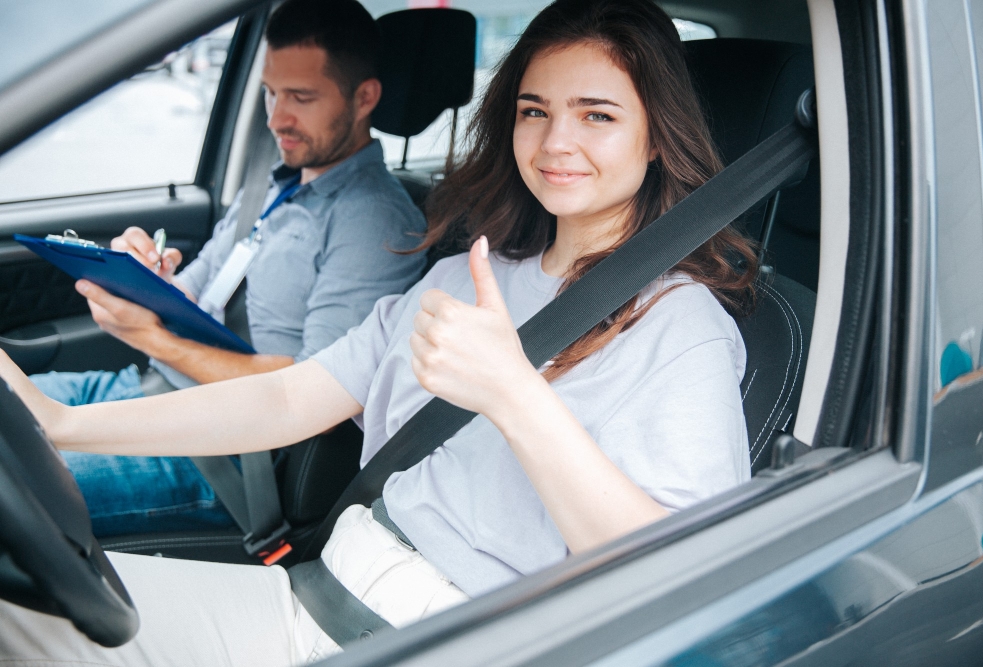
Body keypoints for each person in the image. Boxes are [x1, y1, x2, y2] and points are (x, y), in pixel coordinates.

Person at [0, 0, 757, 663]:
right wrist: (63, 424)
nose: (556, 141)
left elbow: (678, 573)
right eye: (535, 110)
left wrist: (514, 394)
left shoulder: (680, 323)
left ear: (657, 136)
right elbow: (290, 399)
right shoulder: (464, 272)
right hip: (315, 599)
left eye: (597, 114)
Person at [27, 0, 428, 536]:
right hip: (146, 392)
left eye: (301, 98)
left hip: (224, 455)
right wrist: (147, 279)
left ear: (364, 98)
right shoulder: (272, 184)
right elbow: (192, 296)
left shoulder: (374, 222)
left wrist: (154, 339)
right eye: (271, 92)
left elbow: (311, 390)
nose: (275, 117)